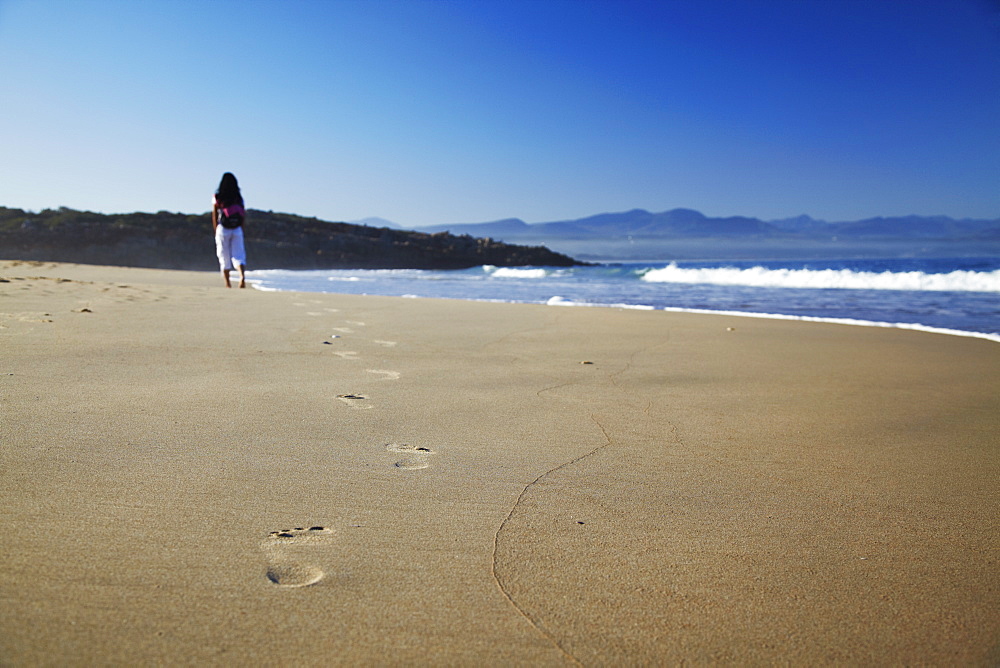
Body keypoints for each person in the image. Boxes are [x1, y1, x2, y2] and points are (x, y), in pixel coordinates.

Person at [211, 172, 247, 288]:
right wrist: (241, 228)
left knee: (223, 255)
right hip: (237, 228)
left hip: (223, 228)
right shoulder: (239, 198)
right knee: (239, 255)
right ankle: (242, 277)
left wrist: (216, 228)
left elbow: (215, 214)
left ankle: (228, 283)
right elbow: (243, 215)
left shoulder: (218, 197)